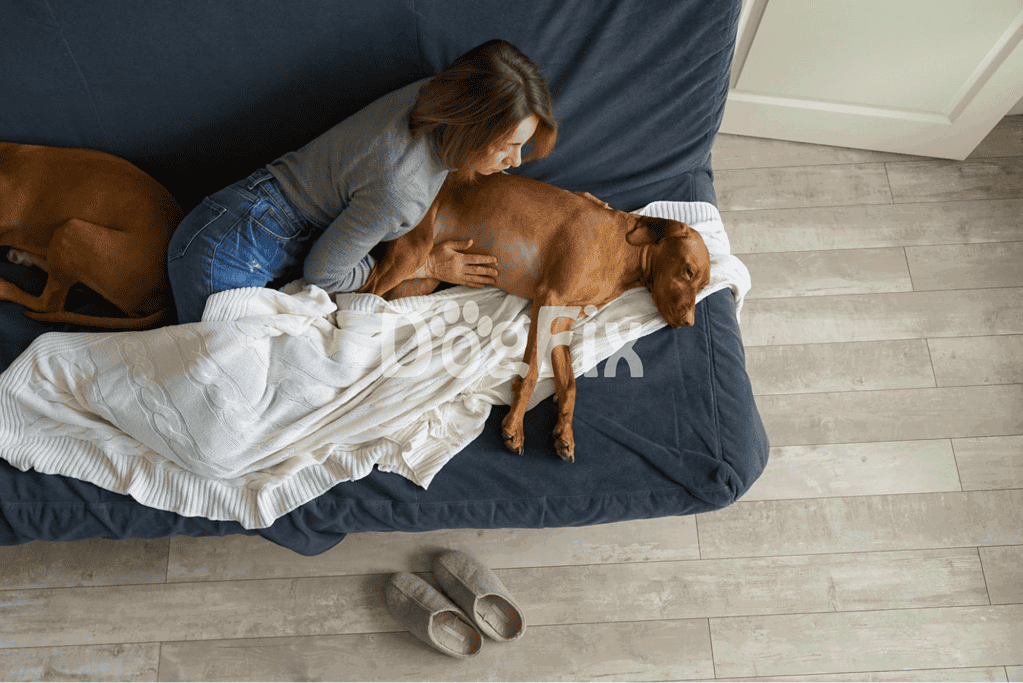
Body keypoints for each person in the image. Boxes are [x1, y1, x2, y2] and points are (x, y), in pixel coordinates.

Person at [167, 39, 559, 323]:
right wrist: (425, 266)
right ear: (470, 127)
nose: (516, 161)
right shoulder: (401, 190)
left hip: (234, 217)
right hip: (227, 256)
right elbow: (324, 276)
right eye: (508, 146)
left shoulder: (437, 93)